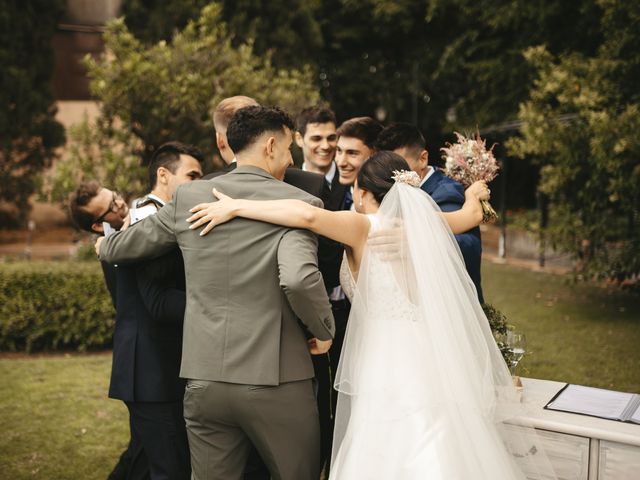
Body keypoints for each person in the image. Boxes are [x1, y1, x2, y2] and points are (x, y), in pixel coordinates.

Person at [186, 151, 557, 479]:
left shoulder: (363, 226)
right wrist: (476, 190)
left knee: (383, 444)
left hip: (383, 363)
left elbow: (305, 216)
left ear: (362, 192)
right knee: (437, 442)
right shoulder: (424, 227)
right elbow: (469, 215)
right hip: (428, 359)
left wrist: (234, 206)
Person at [97, 106, 335, 480]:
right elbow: (299, 279)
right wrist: (323, 331)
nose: (292, 159)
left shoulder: (190, 197)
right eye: (290, 149)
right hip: (277, 380)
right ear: (271, 145)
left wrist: (104, 241)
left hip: (203, 380)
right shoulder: (297, 204)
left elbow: (116, 249)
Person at [70, 181, 150, 480]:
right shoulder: (115, 250)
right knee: (145, 453)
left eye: (115, 197)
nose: (119, 204)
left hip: (144, 364)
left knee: (144, 451)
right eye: (110, 207)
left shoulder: (125, 232)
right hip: (142, 365)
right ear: (96, 225)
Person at [376, 123, 484, 302]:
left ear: (423, 158)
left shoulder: (446, 193)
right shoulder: (388, 191)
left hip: (449, 304)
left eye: (398, 166)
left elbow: (466, 246)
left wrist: (413, 238)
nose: (391, 176)